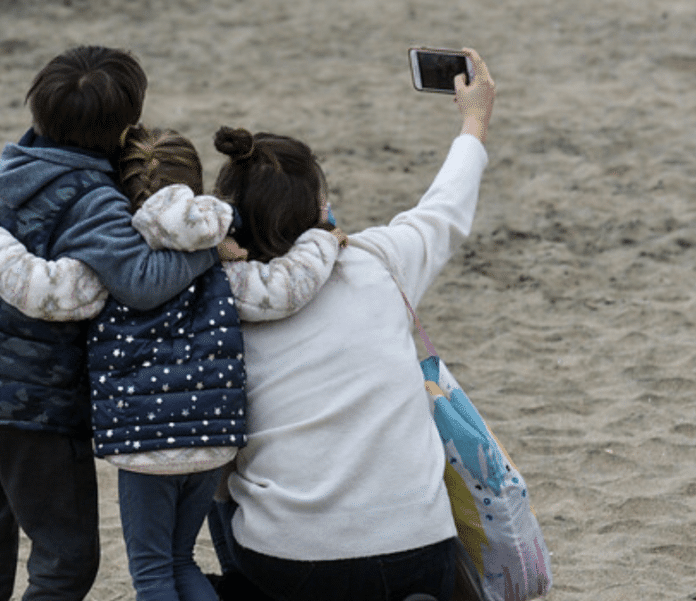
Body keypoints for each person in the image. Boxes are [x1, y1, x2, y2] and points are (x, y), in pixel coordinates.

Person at [0, 125, 348, 601]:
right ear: (196, 184)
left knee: (152, 575)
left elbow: (39, 288)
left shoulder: (107, 266)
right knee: (183, 561)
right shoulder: (223, 261)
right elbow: (286, 289)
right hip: (212, 442)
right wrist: (323, 239)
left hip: (146, 448)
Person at [206, 48, 495, 601]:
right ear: (321, 210)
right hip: (420, 545)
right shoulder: (378, 260)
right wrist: (473, 121)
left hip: (292, 560)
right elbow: (445, 209)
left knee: (223, 489)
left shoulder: (217, 302)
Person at [0, 46, 218, 601]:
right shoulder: (93, 201)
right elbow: (140, 282)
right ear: (124, 128)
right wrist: (211, 251)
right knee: (67, 560)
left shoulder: (21, 166)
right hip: (37, 408)